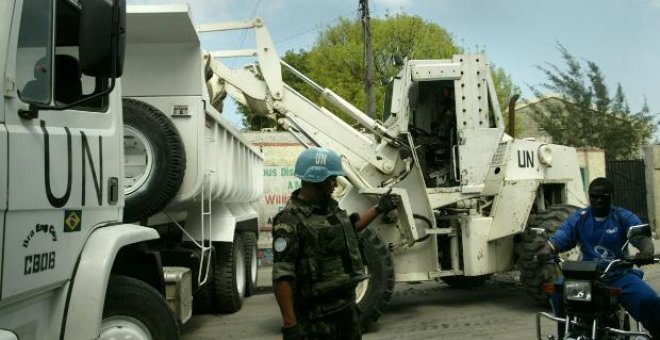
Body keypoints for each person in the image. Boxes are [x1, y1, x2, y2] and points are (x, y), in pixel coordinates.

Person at [272, 147, 399, 340]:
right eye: (332, 180)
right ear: (317, 180)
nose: (334, 185)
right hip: (315, 319)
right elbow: (282, 275)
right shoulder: (290, 219)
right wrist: (291, 326)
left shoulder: (330, 209)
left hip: (346, 311)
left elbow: (351, 227)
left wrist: (380, 208)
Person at [538, 177, 660, 338]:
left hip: (618, 276)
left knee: (648, 299)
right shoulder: (579, 218)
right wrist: (546, 250)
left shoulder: (622, 217)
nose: (599, 201)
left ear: (612, 197)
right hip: (586, 278)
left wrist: (646, 252)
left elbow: (643, 238)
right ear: (589, 197)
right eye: (594, 196)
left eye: (604, 197)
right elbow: (560, 239)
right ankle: (566, 334)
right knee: (559, 291)